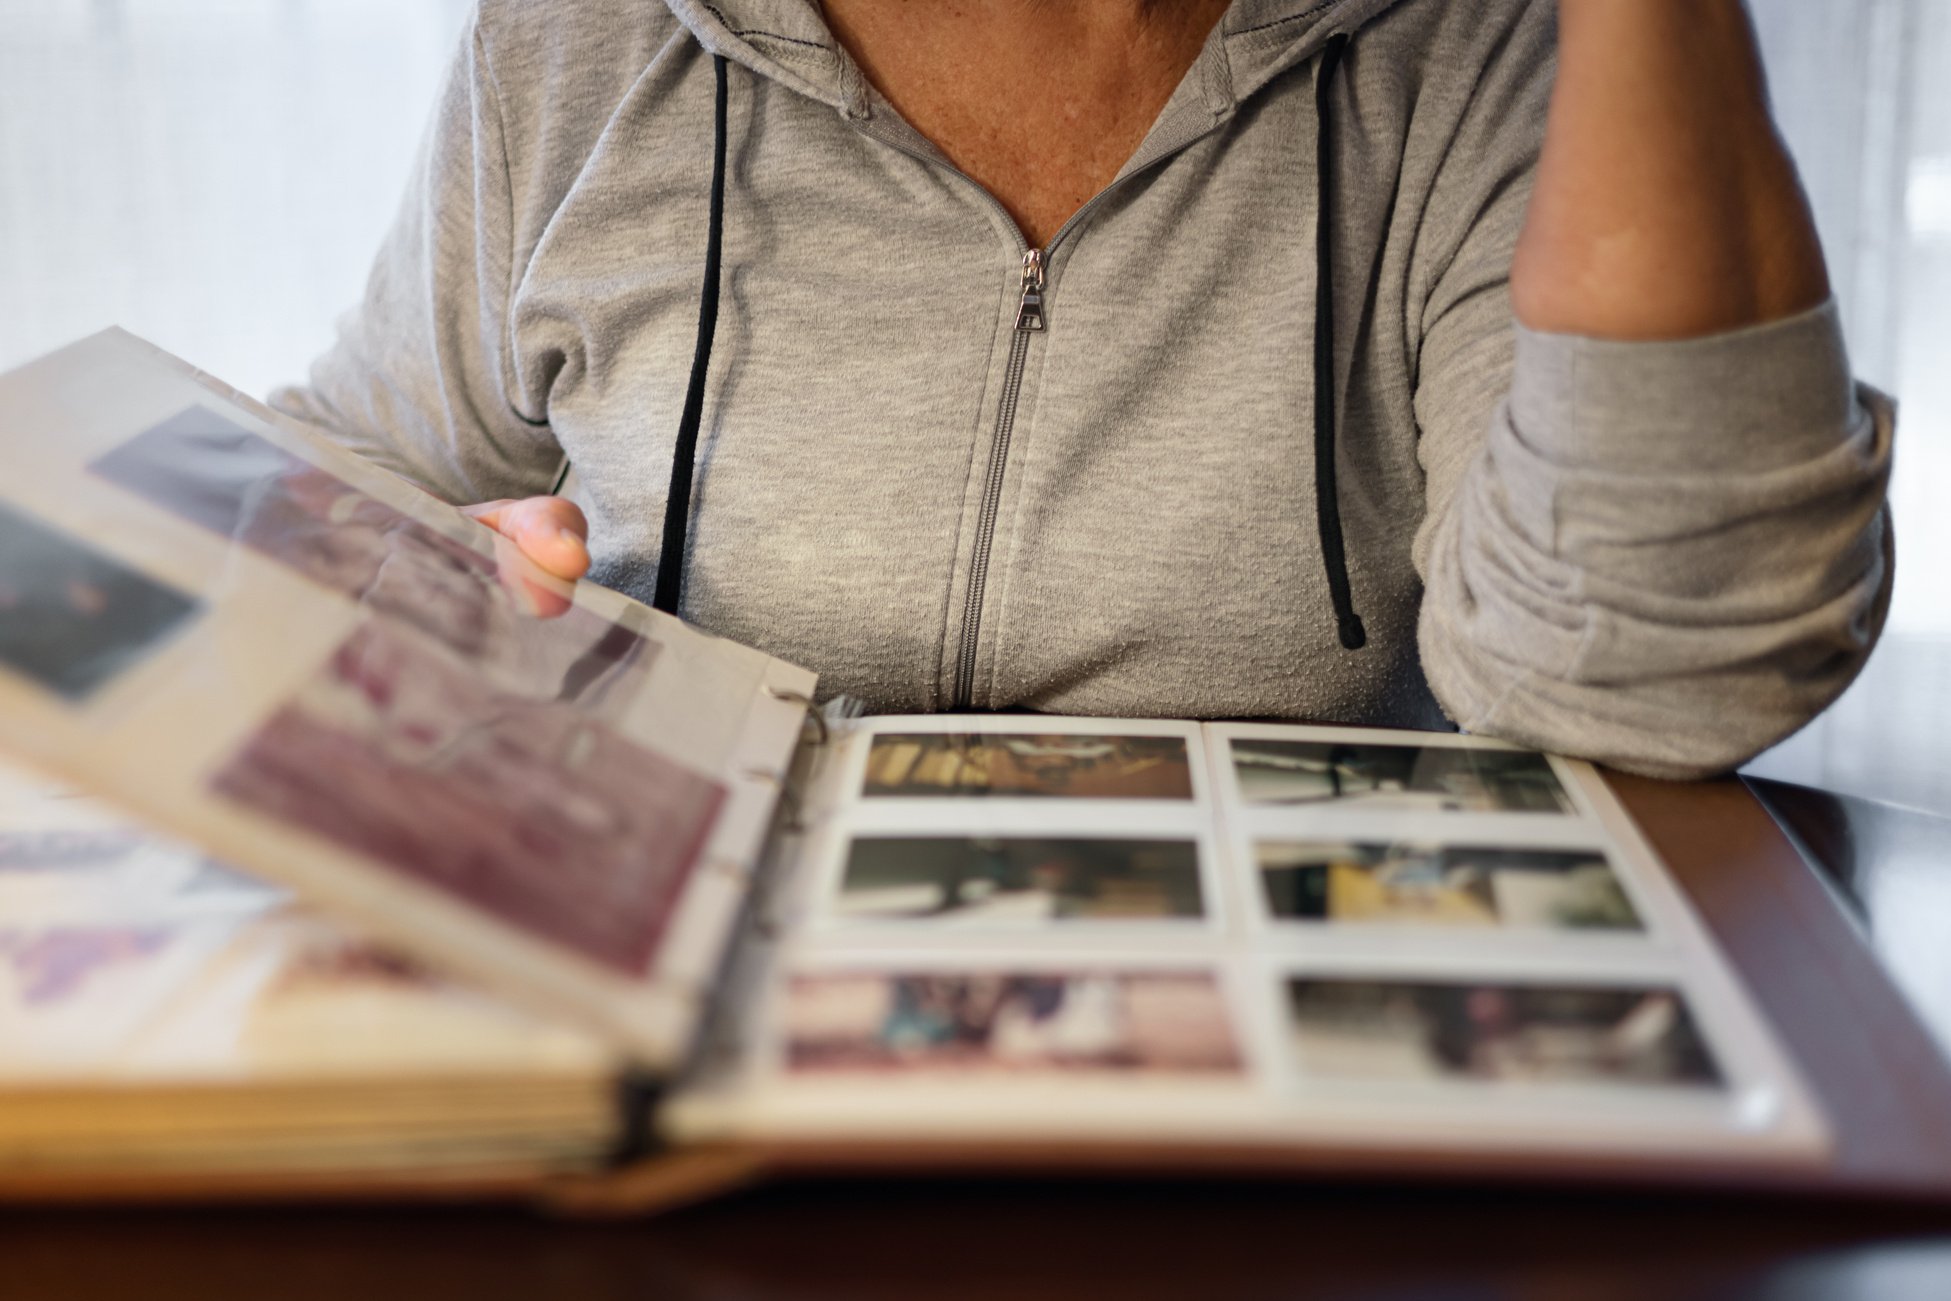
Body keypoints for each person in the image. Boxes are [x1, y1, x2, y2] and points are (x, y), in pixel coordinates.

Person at [272, 0, 1893, 778]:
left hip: (1276, 1126)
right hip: (684, 1094)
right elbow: (353, 477)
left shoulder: (1487, 50)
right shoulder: (581, 41)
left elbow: (1657, 680)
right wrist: (431, 577)